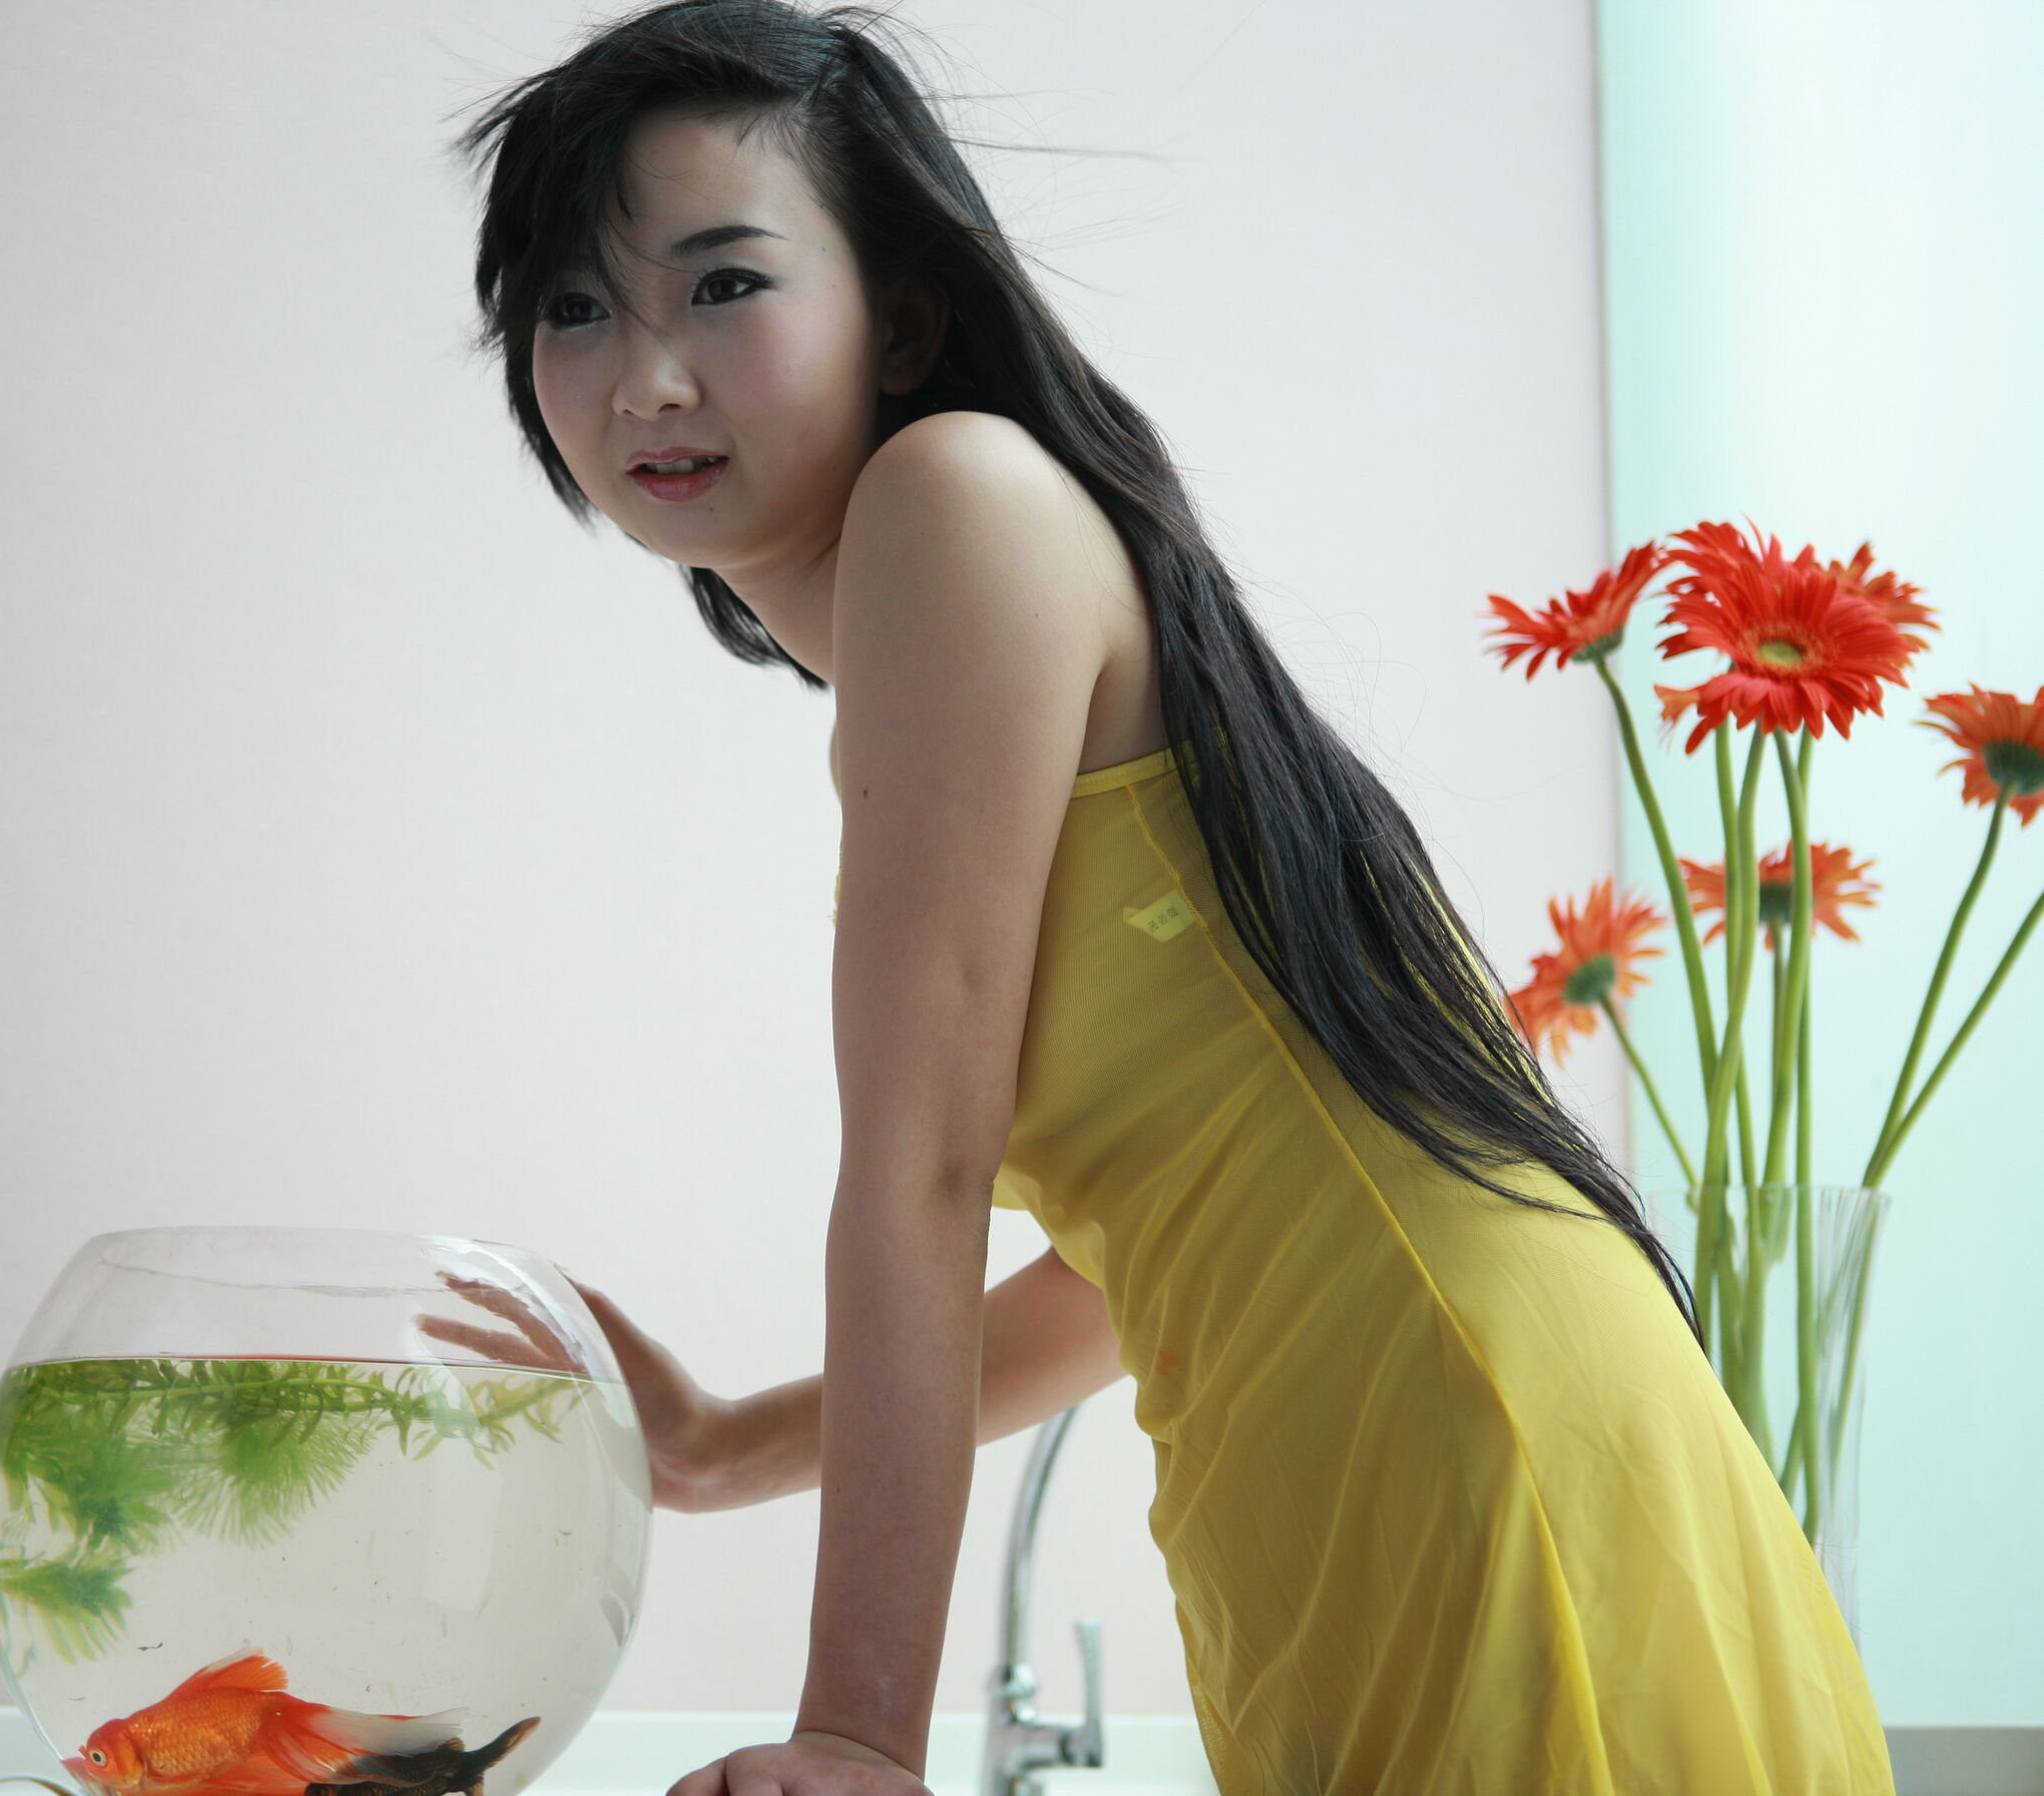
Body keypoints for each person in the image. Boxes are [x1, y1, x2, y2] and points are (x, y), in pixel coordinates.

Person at [436, 4, 1897, 1791]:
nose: (645, 379)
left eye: (723, 285)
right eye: (575, 308)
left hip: (1454, 1426)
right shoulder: (970, 579)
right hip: (1394, 1437)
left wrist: (856, 1735)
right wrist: (726, 1447)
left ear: (906, 318)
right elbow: (1123, 1269)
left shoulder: (957, 495)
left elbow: (920, 1166)